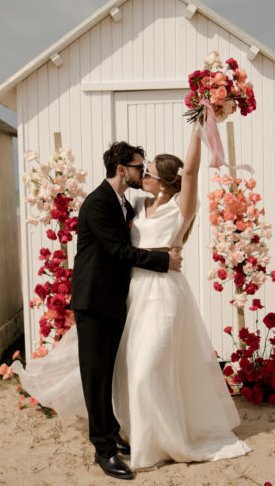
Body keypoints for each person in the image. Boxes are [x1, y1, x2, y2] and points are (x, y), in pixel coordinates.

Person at [111, 123, 250, 470]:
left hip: (165, 295)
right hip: (136, 293)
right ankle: (145, 437)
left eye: (151, 171)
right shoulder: (140, 203)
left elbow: (190, 170)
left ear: (166, 181)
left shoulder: (181, 205)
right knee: (132, 368)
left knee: (149, 369)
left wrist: (198, 131)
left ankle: (166, 439)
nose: (144, 174)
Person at [69, 142, 183, 480]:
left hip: (115, 301)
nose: (142, 170)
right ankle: (103, 450)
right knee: (95, 376)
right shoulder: (97, 204)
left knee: (108, 374)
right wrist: (164, 260)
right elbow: (119, 251)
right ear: (122, 169)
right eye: (138, 166)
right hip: (93, 301)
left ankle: (112, 433)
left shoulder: (123, 204)